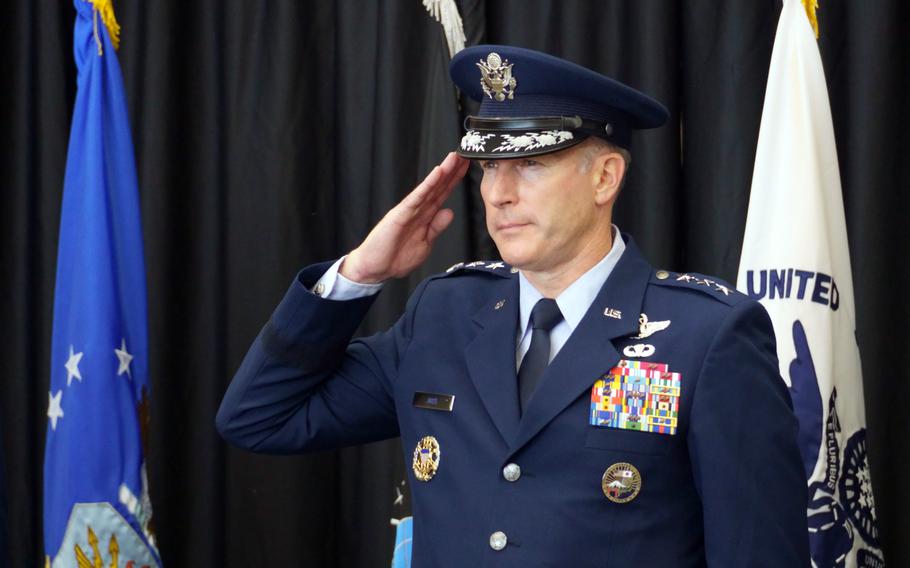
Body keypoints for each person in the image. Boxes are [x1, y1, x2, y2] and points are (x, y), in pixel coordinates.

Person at [217, 45, 809, 566]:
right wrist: (358, 275)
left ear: (605, 177)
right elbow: (259, 417)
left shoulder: (707, 337)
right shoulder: (445, 315)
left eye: (529, 164)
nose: (499, 193)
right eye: (490, 166)